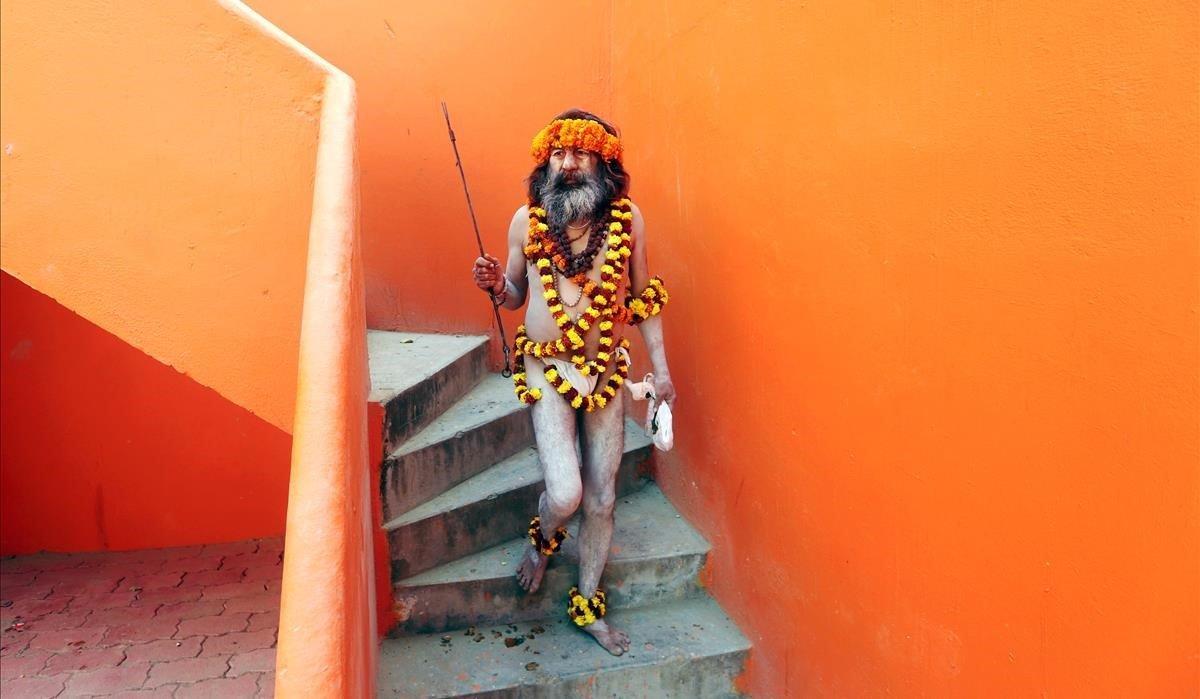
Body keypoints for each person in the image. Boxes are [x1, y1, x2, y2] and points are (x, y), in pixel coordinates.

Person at [471, 109, 674, 655]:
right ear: (547, 164)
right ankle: (544, 537)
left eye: (580, 153)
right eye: (559, 154)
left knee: (603, 498)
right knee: (565, 493)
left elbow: (643, 301)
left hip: (605, 367)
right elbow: (515, 295)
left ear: (603, 164)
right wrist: (497, 284)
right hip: (545, 366)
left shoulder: (628, 221)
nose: (568, 163)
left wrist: (663, 367)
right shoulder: (526, 221)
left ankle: (588, 605)